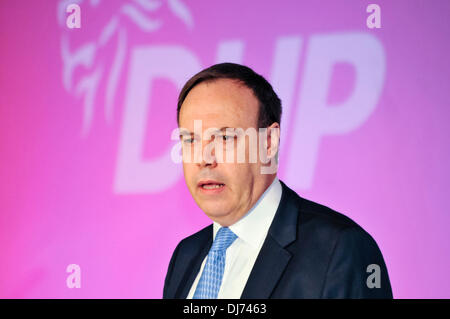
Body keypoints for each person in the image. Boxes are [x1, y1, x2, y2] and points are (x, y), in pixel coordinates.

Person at [163, 62, 393, 299]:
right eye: (190, 140)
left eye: (224, 137)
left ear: (269, 142)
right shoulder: (186, 255)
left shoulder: (341, 248)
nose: (204, 159)